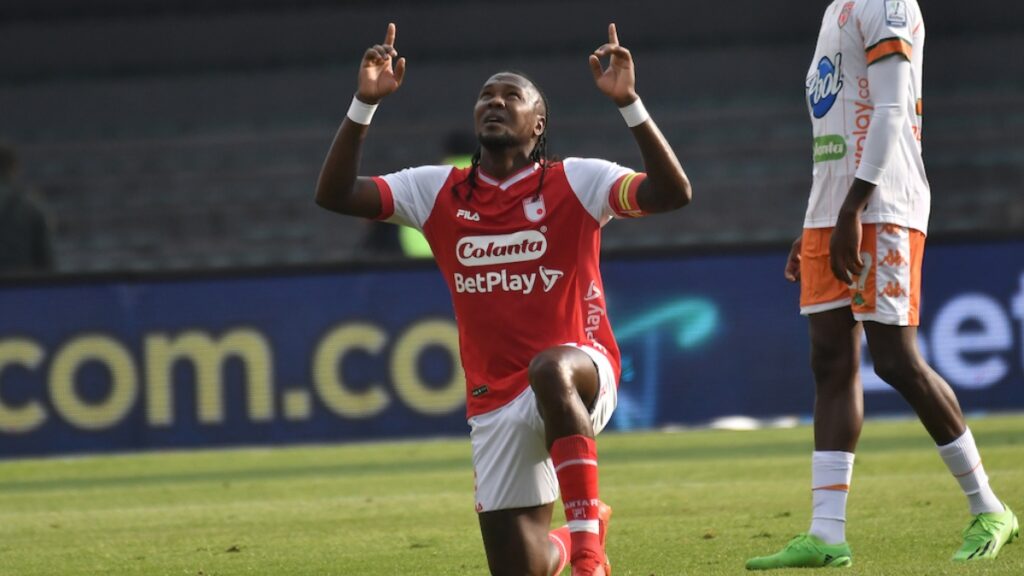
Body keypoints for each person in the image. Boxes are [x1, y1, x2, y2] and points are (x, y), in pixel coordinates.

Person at [315, 23, 691, 576]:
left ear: (538, 124)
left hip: (582, 370)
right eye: (486, 97)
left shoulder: (579, 180)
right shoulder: (436, 191)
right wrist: (363, 105)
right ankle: (575, 535)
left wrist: (629, 103)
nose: (495, 103)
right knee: (524, 565)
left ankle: (589, 556)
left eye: (511, 96)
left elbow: (673, 193)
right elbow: (334, 194)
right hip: (494, 397)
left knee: (551, 366)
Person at [746, 0, 1018, 569]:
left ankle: (989, 506)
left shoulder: (887, 3)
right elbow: (834, 130)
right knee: (829, 360)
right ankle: (826, 534)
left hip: (881, 205)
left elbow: (892, 110)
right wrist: (817, 220)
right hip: (834, 208)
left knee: (895, 359)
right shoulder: (836, 11)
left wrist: (852, 210)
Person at [0, 143, 54, 275]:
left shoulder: (32, 207)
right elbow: (47, 264)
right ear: (14, 168)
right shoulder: (32, 208)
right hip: (22, 289)